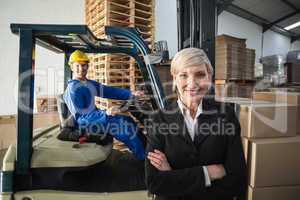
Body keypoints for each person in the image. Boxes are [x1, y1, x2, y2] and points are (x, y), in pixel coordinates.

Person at [145, 48, 247, 200]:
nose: (192, 84)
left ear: (209, 77)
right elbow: (155, 182)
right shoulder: (159, 119)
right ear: (174, 78)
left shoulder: (226, 116)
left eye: (200, 75)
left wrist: (172, 175)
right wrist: (209, 172)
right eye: (183, 75)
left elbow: (237, 181)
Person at [63, 50, 146, 160]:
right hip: (88, 124)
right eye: (77, 65)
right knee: (127, 129)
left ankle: (147, 151)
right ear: (72, 67)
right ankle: (144, 161)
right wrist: (106, 113)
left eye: (84, 65)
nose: (81, 69)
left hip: (96, 119)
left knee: (128, 120)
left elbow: (107, 91)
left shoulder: (87, 83)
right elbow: (81, 119)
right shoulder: (73, 89)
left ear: (87, 66)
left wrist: (130, 94)